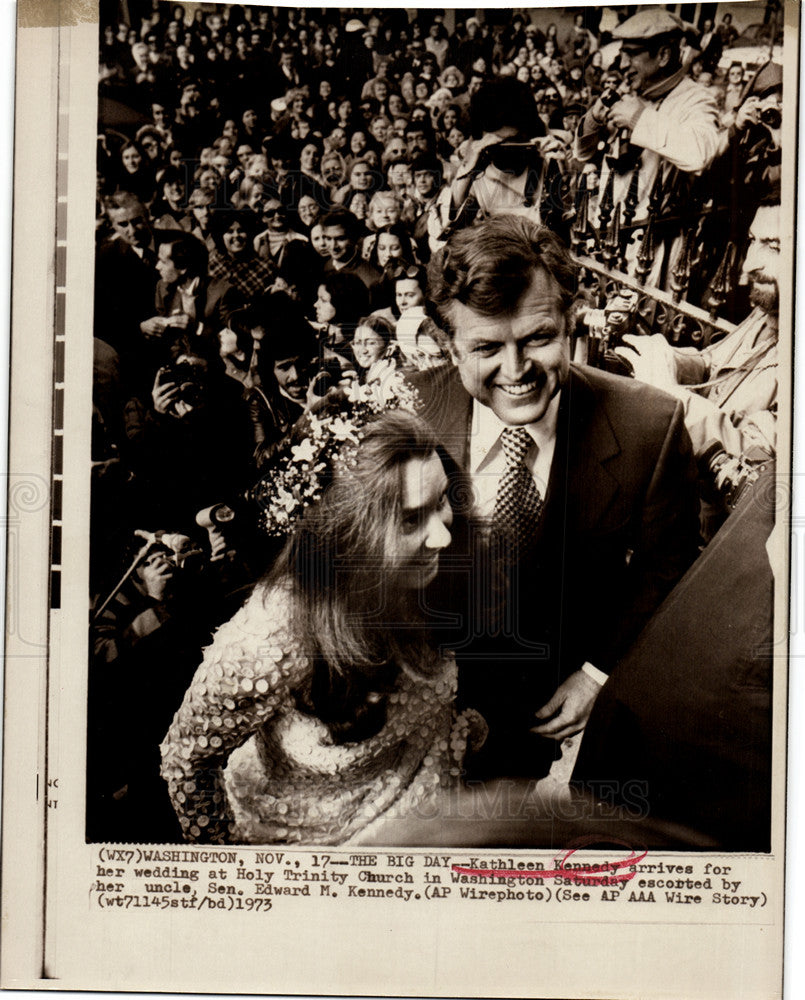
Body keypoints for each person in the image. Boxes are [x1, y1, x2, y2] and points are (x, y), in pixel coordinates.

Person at [417, 214, 700, 781]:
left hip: (545, 721)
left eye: (539, 338)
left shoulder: (652, 425)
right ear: (449, 346)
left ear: (571, 320)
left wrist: (600, 672)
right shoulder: (405, 413)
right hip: (415, 712)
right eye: (486, 348)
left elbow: (670, 567)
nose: (516, 370)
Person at [160, 397, 486, 844]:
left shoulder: (442, 562)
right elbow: (185, 760)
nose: (444, 535)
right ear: (344, 537)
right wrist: (230, 866)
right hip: (324, 840)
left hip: (424, 782)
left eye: (442, 499)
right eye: (411, 519)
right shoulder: (271, 636)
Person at [614, 198, 780, 463]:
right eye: (752, 241)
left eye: (774, 247)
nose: (748, 265)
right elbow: (712, 363)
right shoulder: (769, 310)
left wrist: (672, 396)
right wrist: (666, 358)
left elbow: (754, 460)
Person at [574, 10, 721, 284]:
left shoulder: (696, 100)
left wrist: (639, 119)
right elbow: (582, 153)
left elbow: (701, 153)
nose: (622, 63)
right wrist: (594, 119)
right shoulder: (633, 91)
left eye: (632, 54)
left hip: (651, 247)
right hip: (607, 229)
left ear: (663, 56)